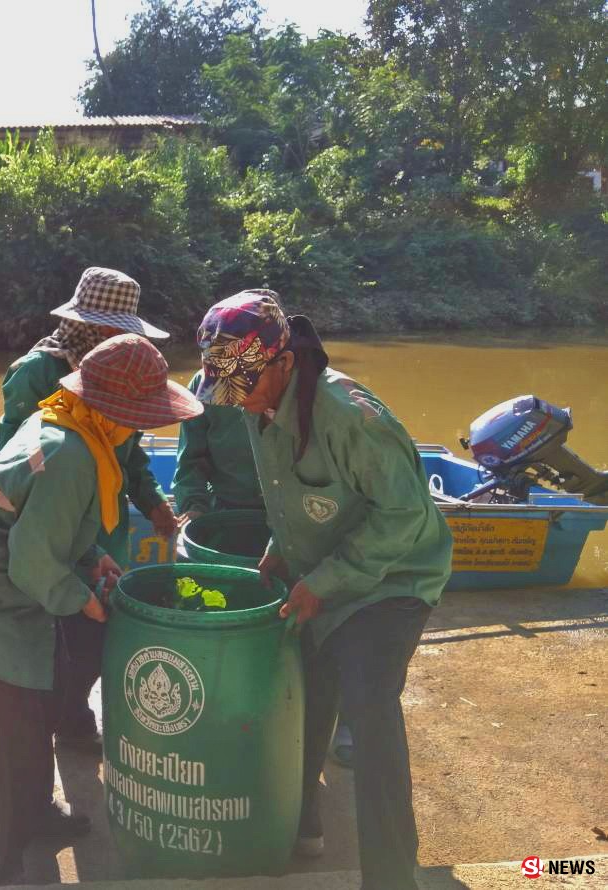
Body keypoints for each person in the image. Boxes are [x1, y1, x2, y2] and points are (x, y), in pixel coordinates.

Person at [0, 334, 202, 888]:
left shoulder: (68, 423)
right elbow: (32, 562)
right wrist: (86, 603)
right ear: (116, 412)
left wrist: (93, 561)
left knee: (33, 717)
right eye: (141, 417)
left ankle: (38, 819)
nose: (142, 429)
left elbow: (51, 525)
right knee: (3, 746)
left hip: (7, 594)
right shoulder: (72, 452)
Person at [195, 290, 452, 890]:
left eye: (245, 383)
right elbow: (288, 491)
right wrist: (281, 548)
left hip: (394, 575)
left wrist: (326, 581)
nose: (237, 399)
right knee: (305, 695)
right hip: (320, 565)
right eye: (226, 386)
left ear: (284, 361)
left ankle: (392, 877)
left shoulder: (350, 415)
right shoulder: (256, 402)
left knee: (370, 710)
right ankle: (301, 824)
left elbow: (406, 518)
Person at [0, 266, 176, 751]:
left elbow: (129, 451)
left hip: (104, 524)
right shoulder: (36, 374)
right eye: (118, 331)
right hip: (56, 528)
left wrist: (154, 503)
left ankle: (71, 714)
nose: (124, 341)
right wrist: (84, 548)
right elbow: (18, 467)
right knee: (62, 636)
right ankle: (62, 723)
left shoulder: (123, 374)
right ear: (93, 328)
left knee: (95, 634)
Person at [172, 364, 264, 526]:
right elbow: (191, 458)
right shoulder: (204, 383)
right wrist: (194, 505)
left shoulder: (295, 379)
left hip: (290, 510)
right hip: (224, 506)